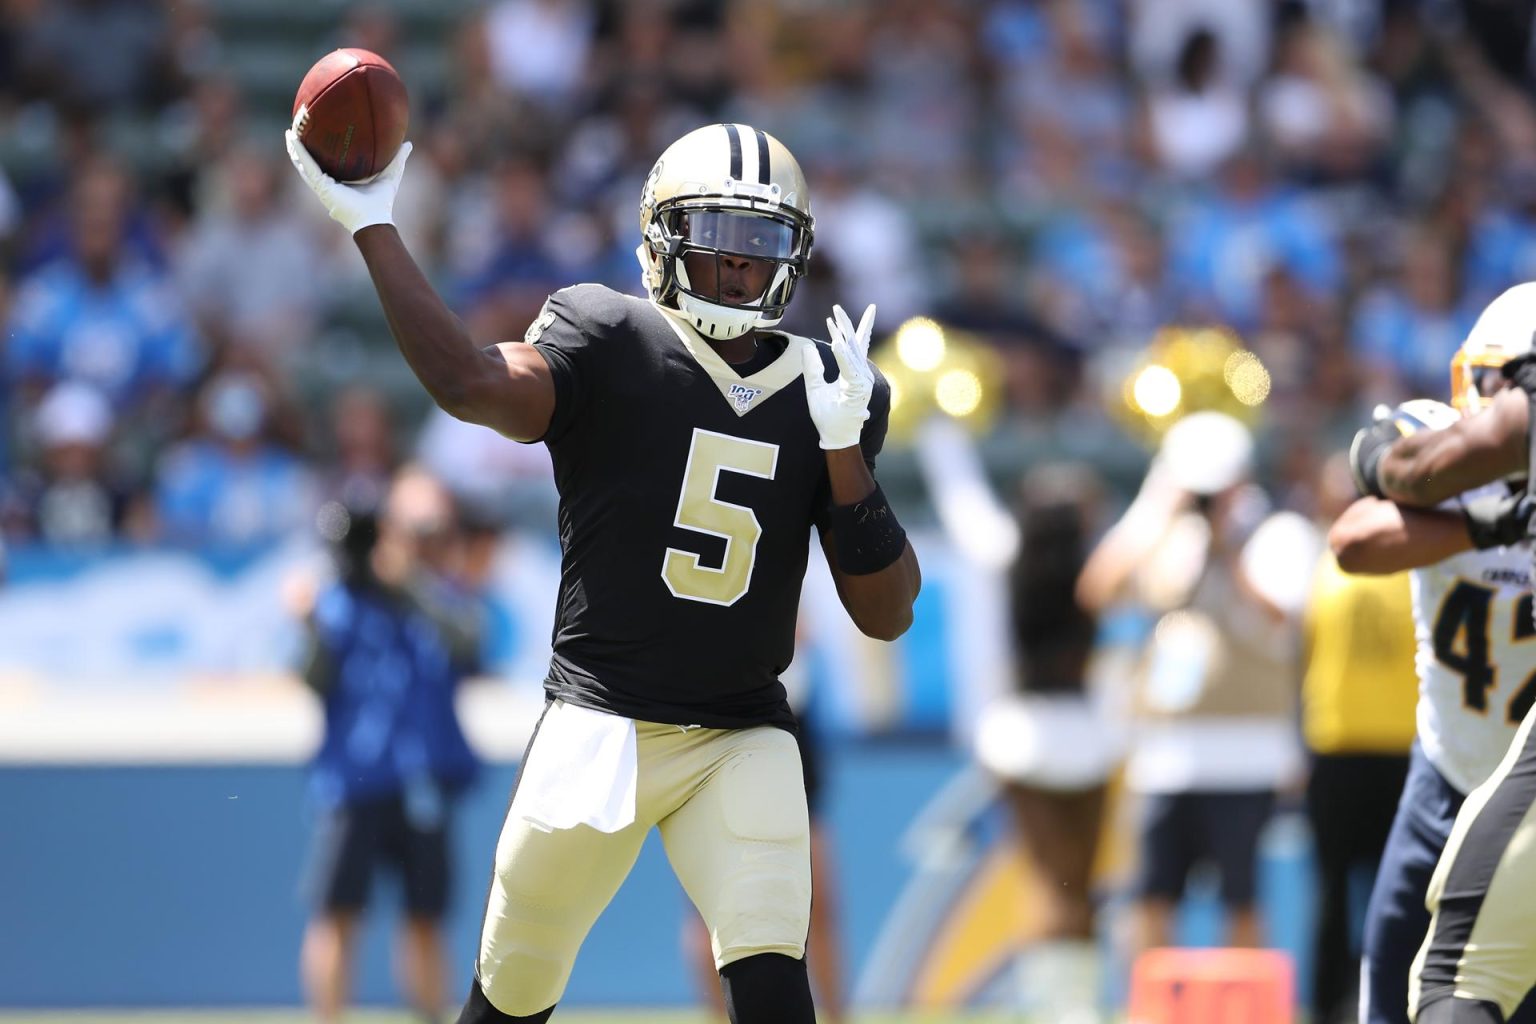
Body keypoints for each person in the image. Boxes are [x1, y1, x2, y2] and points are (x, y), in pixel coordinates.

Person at [286, 120, 922, 1024]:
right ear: (662, 235)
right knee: (512, 996)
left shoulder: (831, 383)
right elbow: (468, 383)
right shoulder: (607, 333)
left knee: (778, 981)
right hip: (603, 724)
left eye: (760, 242)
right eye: (716, 237)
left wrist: (843, 449)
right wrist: (373, 225)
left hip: (741, 733)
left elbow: (887, 614)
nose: (739, 266)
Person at [1345, 281, 1536, 1024]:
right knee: (1394, 995)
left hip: (1522, 791)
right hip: (1446, 777)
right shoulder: (1451, 450)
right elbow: (1355, 542)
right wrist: (1498, 522)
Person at [1075, 410, 1318, 960]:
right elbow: (1097, 590)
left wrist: (1228, 543)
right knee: (1151, 898)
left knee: (1243, 901)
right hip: (1166, 755)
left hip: (1247, 754)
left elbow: (1282, 619)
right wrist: (1155, 508)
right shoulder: (1164, 537)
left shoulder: (1278, 534)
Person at [297, 471, 484, 1024]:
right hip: (355, 782)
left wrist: (408, 584)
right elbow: (312, 677)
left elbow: (470, 644)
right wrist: (308, 622)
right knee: (337, 913)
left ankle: (430, 1016)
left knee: (426, 917)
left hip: (421, 780)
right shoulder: (336, 602)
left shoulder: (433, 597)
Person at [1300, 452, 1418, 1024]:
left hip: (1403, 750)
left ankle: (1397, 1004)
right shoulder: (1313, 558)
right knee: (1331, 893)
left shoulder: (1418, 555)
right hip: (1336, 748)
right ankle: (1327, 1008)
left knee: (1401, 894)